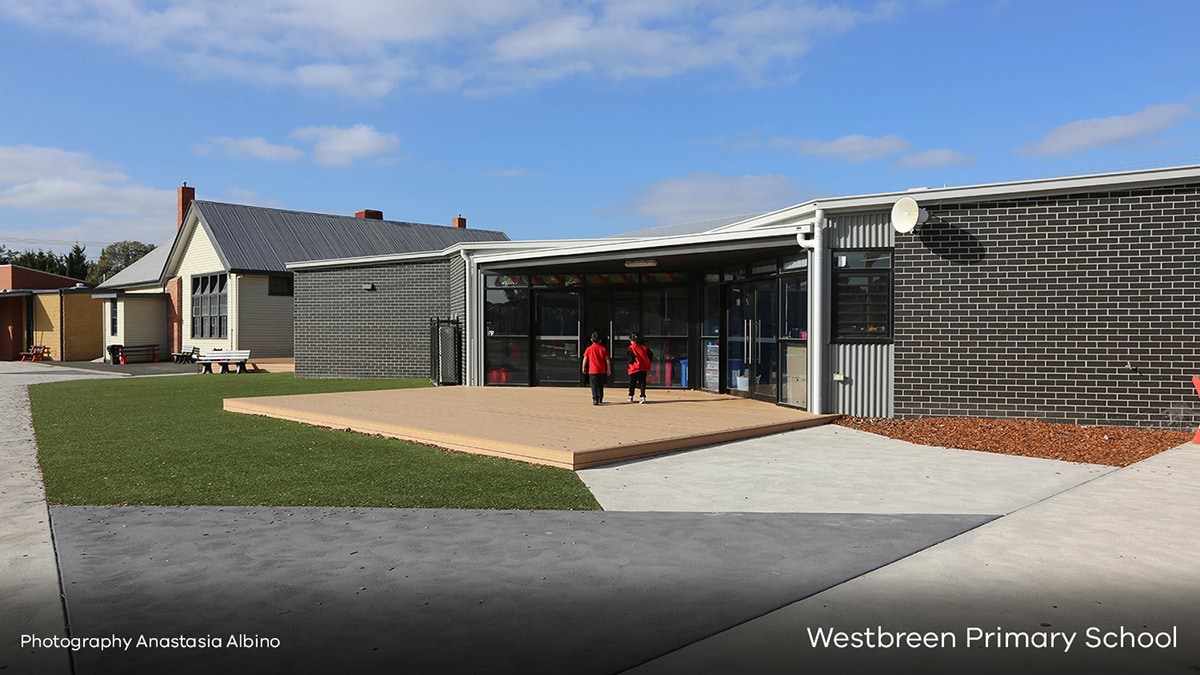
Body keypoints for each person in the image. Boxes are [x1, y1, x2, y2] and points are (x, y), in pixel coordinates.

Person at [581, 331, 611, 406]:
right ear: (600, 340)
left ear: (591, 340)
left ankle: (595, 399)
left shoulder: (589, 349)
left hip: (593, 371)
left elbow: (585, 358)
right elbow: (607, 359)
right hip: (601, 370)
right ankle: (600, 398)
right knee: (600, 385)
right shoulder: (603, 348)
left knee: (594, 385)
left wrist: (583, 367)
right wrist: (608, 369)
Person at [626, 332, 653, 404]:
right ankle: (642, 396)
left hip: (634, 368)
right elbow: (650, 355)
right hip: (643, 367)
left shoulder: (631, 348)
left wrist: (630, 363)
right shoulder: (644, 347)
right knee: (642, 382)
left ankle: (631, 395)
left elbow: (630, 357)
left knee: (632, 382)